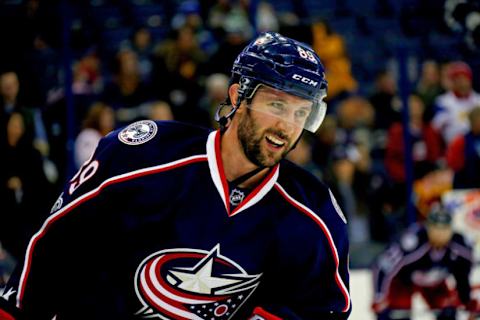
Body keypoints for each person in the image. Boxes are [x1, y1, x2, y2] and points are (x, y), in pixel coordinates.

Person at [0, 32, 351, 319]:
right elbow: (51, 250)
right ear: (237, 96)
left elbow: (322, 310)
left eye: (300, 113)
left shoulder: (315, 216)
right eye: (276, 105)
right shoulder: (142, 157)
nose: (287, 126)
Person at [371, 206, 478, 320]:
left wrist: (466, 300)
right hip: (403, 282)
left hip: (435, 285)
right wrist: (380, 297)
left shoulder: (460, 246)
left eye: (444, 229)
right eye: (436, 228)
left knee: (448, 312)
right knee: (397, 315)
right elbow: (382, 265)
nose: (440, 233)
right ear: (428, 227)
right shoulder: (414, 241)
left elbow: (462, 274)